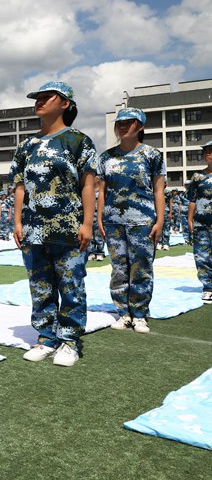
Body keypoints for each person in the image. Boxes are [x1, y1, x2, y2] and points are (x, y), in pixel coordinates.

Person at [11, 81, 97, 367]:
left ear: (65, 104)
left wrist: (87, 223)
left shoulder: (78, 141)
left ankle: (69, 339)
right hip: (34, 227)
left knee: (71, 283)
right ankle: (46, 336)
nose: (40, 101)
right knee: (40, 285)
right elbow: (20, 186)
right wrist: (17, 221)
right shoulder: (27, 145)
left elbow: (87, 184)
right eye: (38, 98)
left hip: (68, 226)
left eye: (48, 97)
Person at [97, 107, 165, 333]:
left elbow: (158, 190)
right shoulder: (106, 157)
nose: (123, 126)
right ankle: (123, 312)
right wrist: (99, 218)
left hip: (143, 220)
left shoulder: (152, 155)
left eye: (129, 122)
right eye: (120, 122)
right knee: (118, 268)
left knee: (141, 267)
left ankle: (139, 314)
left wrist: (160, 220)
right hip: (113, 221)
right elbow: (102, 190)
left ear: (141, 126)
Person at [188, 140, 212, 304]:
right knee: (202, 256)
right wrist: (189, 219)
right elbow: (192, 199)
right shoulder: (197, 176)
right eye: (206, 151)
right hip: (201, 223)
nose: (208, 154)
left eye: (211, 151)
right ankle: (208, 288)